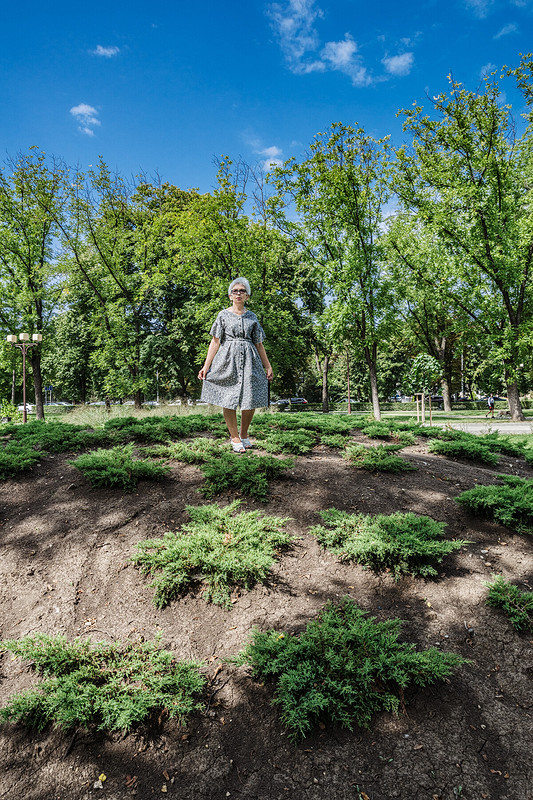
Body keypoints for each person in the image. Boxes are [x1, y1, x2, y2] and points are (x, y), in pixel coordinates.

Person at [198, 277, 273, 453]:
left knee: (250, 397)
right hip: (227, 359)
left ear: (247, 296)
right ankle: (234, 437)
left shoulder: (252, 317)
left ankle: (244, 434)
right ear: (230, 295)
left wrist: (268, 366)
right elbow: (215, 341)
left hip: (250, 360)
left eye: (242, 291)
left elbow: (259, 344)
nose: (238, 293)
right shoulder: (222, 315)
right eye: (235, 291)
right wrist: (206, 366)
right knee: (228, 397)